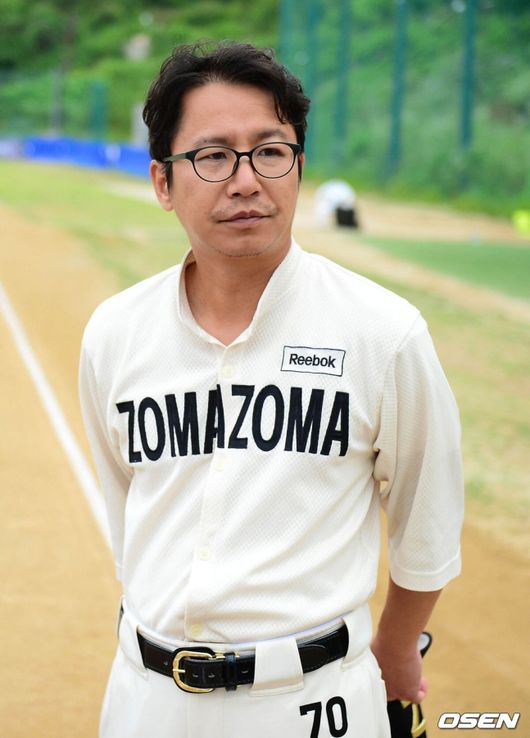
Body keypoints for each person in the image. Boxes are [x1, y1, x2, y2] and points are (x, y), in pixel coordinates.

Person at [79, 41, 464, 738]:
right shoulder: (116, 333)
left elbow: (427, 517)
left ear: (299, 168)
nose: (246, 180)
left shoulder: (382, 333)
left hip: (313, 702)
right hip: (146, 698)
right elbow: (125, 504)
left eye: (270, 152)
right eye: (213, 156)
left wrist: (397, 646)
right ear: (163, 182)